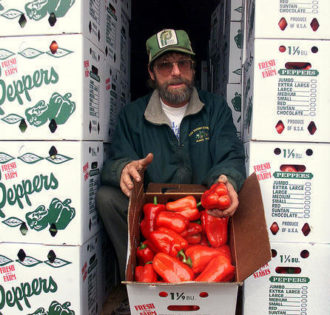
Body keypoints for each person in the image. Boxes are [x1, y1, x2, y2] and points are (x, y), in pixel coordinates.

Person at [96, 28, 246, 284]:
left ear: (193, 69)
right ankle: (134, 280)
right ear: (152, 73)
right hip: (153, 218)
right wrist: (124, 169)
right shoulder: (133, 115)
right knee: (107, 198)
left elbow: (231, 155)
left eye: (183, 63)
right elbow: (115, 159)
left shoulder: (215, 108)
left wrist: (226, 180)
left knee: (237, 198)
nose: (176, 71)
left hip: (203, 216)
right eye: (165, 65)